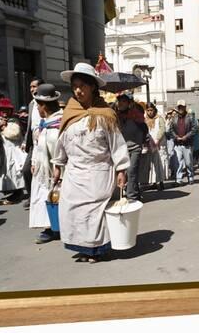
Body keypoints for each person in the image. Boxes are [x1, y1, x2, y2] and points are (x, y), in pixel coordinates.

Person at [52, 62, 130, 263]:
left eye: (82, 86)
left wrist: (121, 168)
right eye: (75, 86)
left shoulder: (105, 114)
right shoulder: (69, 113)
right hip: (74, 173)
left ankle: (97, 250)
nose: (78, 90)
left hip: (98, 171)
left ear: (93, 87)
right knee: (72, 210)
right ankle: (82, 247)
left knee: (94, 212)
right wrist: (57, 164)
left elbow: (116, 144)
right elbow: (62, 141)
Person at [29, 84, 63, 244]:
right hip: (43, 170)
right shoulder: (46, 122)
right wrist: (35, 161)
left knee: (55, 198)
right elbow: (39, 144)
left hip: (55, 170)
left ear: (44, 106)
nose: (37, 109)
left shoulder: (58, 122)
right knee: (45, 198)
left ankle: (55, 228)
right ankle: (49, 227)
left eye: (38, 105)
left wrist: (58, 169)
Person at [0, 97, 27, 204]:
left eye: (6, 109)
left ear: (10, 110)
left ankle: (18, 193)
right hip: (1, 151)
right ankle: (13, 192)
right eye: (2, 109)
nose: (4, 112)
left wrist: (3, 129)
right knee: (6, 173)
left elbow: (15, 134)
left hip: (14, 151)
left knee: (14, 172)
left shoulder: (14, 121)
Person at [116, 92, 148, 201]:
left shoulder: (135, 114)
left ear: (128, 103)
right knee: (122, 172)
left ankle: (131, 196)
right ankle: (134, 191)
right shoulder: (115, 115)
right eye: (119, 101)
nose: (120, 103)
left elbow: (144, 128)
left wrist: (142, 141)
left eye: (123, 101)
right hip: (121, 148)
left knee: (131, 171)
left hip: (135, 147)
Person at [21, 77, 45, 207]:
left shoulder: (48, 101)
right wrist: (26, 141)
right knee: (26, 170)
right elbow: (30, 125)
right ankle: (31, 196)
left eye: (34, 86)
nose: (32, 89)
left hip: (46, 141)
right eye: (31, 87)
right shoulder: (31, 104)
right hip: (34, 145)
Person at [168, 99, 198, 185]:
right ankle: (178, 179)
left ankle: (191, 177)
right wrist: (176, 137)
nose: (180, 108)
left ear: (185, 107)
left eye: (182, 107)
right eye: (179, 107)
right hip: (177, 143)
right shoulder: (174, 118)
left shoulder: (190, 117)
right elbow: (171, 129)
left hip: (187, 143)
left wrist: (186, 136)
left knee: (188, 162)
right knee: (178, 162)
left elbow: (194, 129)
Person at [144, 102, 167, 191]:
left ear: (154, 110)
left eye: (151, 110)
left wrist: (157, 139)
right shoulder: (145, 119)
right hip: (149, 144)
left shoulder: (159, 118)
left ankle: (160, 182)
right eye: (148, 110)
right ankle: (153, 182)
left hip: (159, 144)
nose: (150, 112)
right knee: (151, 165)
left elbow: (162, 129)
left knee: (159, 164)